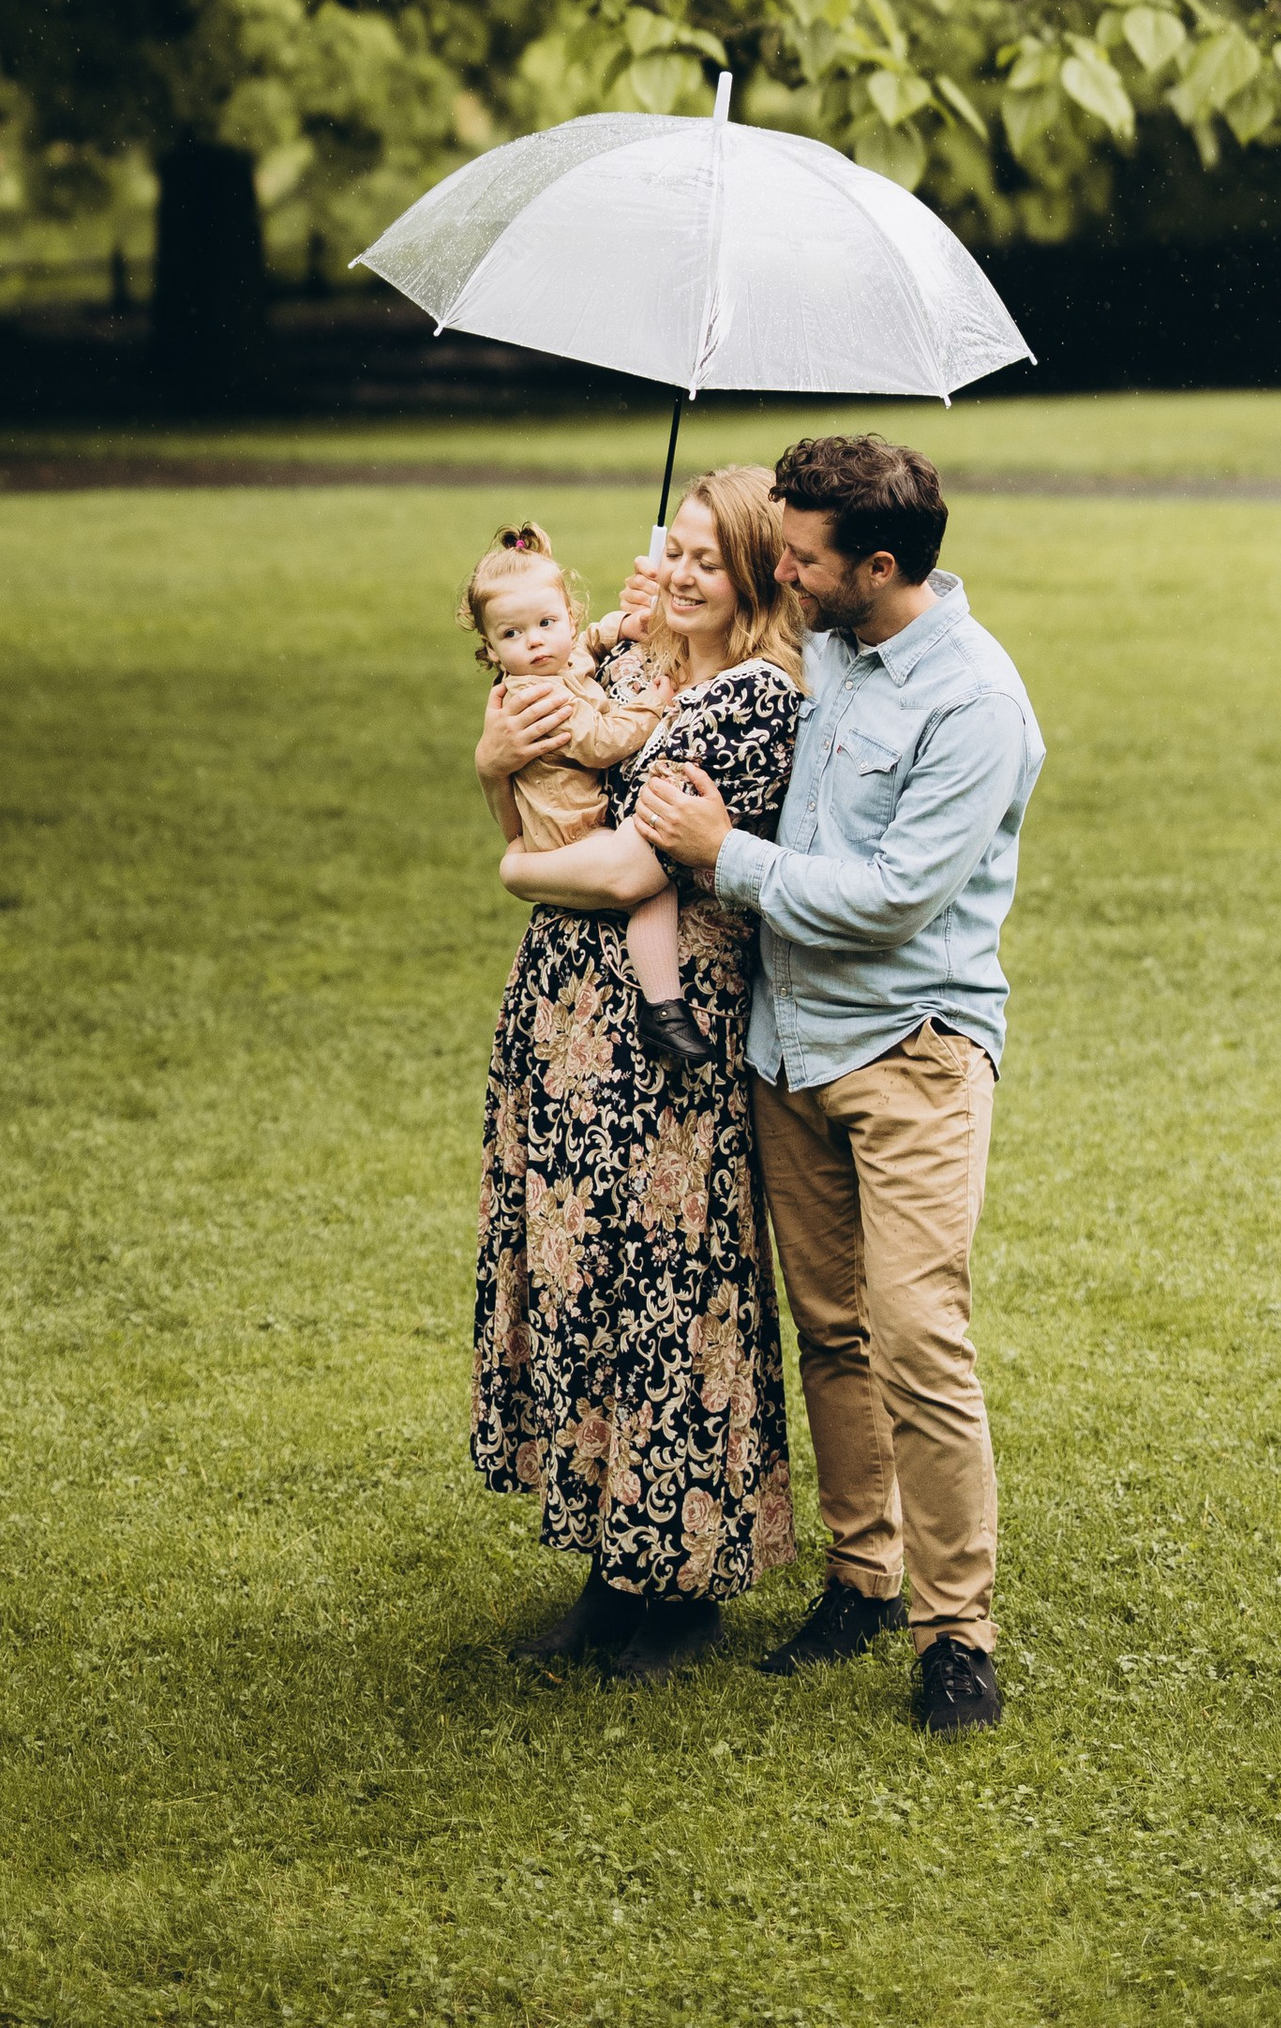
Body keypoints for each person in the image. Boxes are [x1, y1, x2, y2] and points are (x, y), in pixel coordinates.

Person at [638, 432, 1044, 1738]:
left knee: (918, 1335)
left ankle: (957, 1634)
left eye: (805, 557)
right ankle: (862, 1576)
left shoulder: (974, 704)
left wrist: (723, 854)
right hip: (785, 1048)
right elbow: (694, 637)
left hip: (911, 1049)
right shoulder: (820, 646)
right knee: (832, 1330)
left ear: (878, 564)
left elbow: (891, 903)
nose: (785, 572)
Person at [470, 465, 804, 1682]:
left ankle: (677, 1585)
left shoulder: (750, 703)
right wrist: (488, 767)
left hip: (657, 1034)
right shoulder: (631, 668)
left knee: (669, 1283)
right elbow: (548, 811)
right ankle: (609, 1572)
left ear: (763, 576)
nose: (677, 573)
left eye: (709, 561)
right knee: (587, 1282)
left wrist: (511, 876)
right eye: (676, 550)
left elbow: (619, 873)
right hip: (563, 1019)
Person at [457, 519, 710, 1070]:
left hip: (565, 822)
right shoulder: (537, 695)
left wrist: (622, 625)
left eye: (547, 623)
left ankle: (662, 1005)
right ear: (492, 649)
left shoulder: (559, 657)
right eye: (512, 635)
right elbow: (600, 744)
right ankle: (663, 1006)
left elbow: (586, 646)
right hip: (568, 830)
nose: (536, 642)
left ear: (568, 617)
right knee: (652, 882)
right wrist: (652, 705)